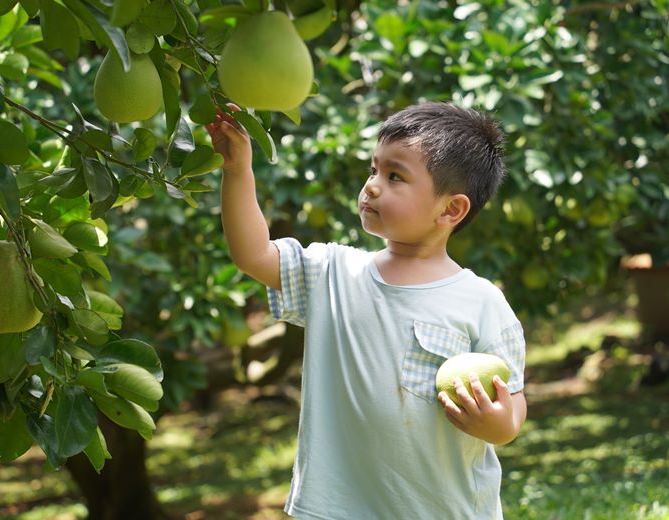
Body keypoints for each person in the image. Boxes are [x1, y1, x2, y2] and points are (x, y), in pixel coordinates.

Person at [205, 101, 527, 519]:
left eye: (395, 176)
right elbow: (253, 254)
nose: (372, 186)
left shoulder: (480, 301)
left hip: (444, 509)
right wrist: (238, 172)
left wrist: (496, 424)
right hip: (337, 507)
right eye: (374, 170)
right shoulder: (332, 272)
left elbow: (513, 402)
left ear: (451, 209)